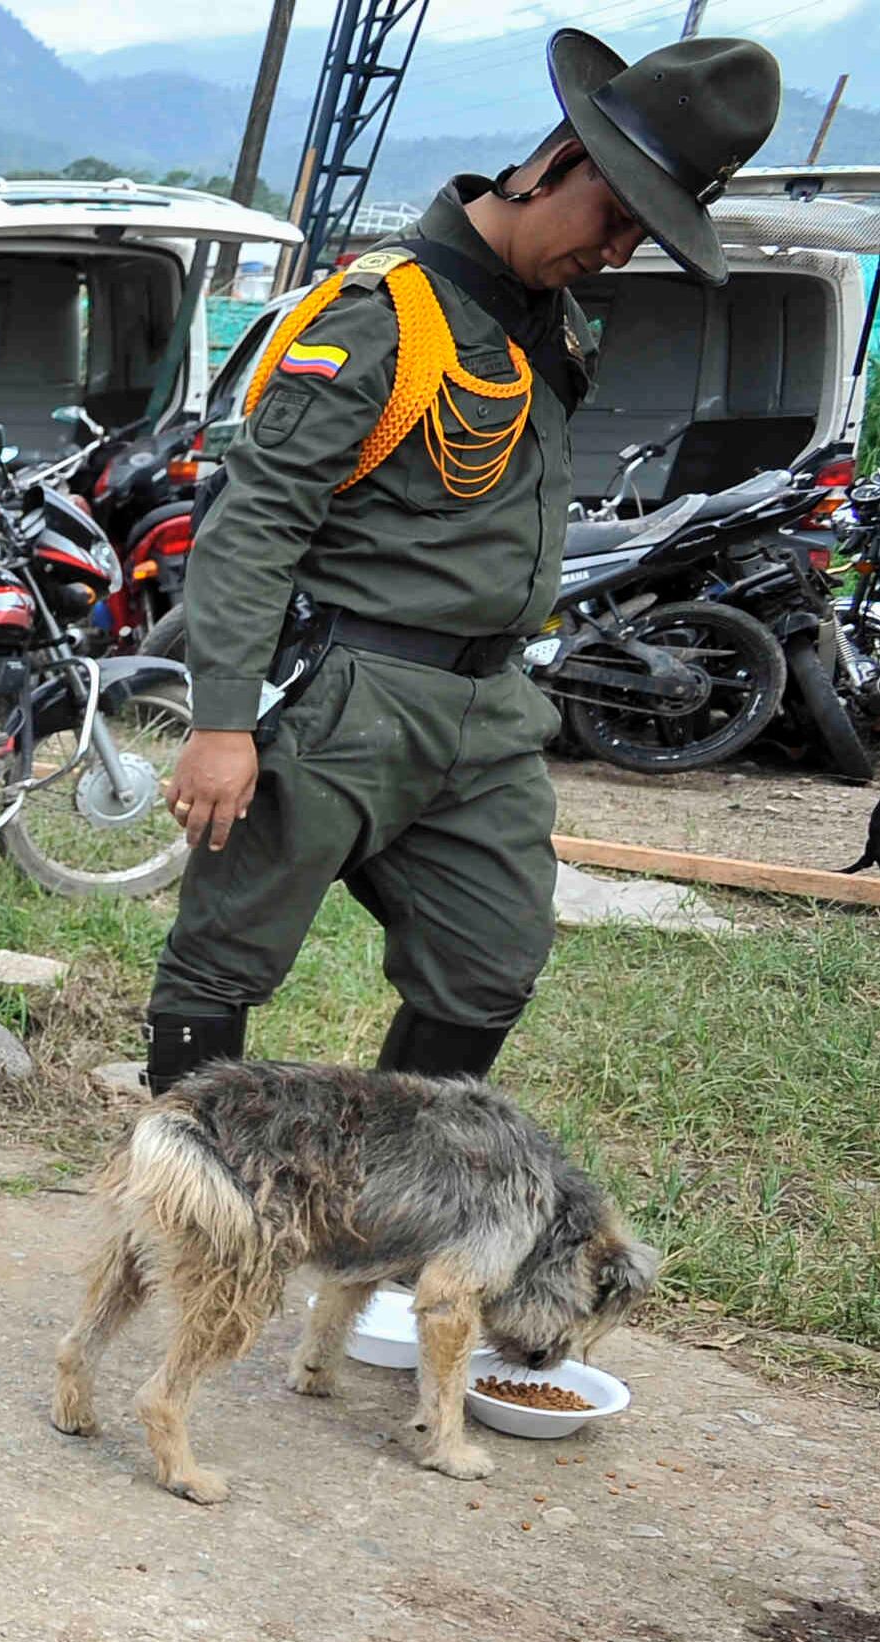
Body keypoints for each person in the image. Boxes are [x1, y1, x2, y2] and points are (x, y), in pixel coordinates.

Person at [149, 29, 781, 1093]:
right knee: (225, 959)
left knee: (489, 961)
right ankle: (182, 1218)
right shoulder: (380, 315)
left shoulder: (551, 326)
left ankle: (392, 1214)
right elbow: (252, 523)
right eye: (616, 215)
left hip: (485, 702)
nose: (619, 249)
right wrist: (218, 723)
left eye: (647, 233)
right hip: (345, 698)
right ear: (552, 165)